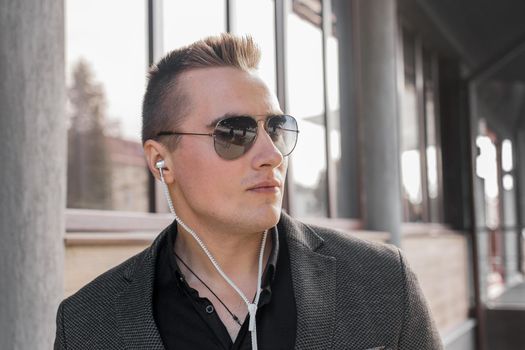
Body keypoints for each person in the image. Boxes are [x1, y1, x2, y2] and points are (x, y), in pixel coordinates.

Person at [54, 33, 443, 350]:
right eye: (234, 133)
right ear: (161, 160)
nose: (271, 154)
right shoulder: (88, 324)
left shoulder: (382, 282)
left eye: (275, 128)